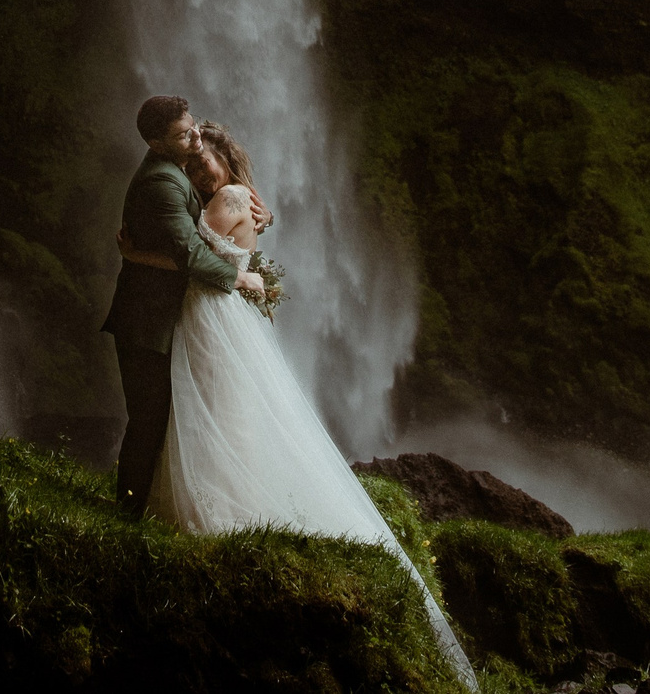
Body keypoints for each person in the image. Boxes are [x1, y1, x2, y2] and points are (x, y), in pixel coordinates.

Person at [117, 118, 478, 687]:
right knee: (211, 411)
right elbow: (211, 248)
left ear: (227, 163)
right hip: (208, 317)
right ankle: (202, 506)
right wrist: (245, 254)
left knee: (212, 409)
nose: (198, 167)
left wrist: (139, 254)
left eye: (207, 160)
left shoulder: (230, 197)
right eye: (192, 161)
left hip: (210, 317)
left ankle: (211, 511)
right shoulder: (225, 197)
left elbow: (193, 254)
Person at [100, 95, 264, 517]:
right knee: (150, 420)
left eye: (193, 128)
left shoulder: (187, 168)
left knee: (179, 415)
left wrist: (251, 208)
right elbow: (192, 253)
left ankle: (156, 507)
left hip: (185, 315)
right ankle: (128, 515)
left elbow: (214, 228)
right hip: (148, 321)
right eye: (182, 135)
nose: (193, 138)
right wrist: (239, 275)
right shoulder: (162, 181)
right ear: (157, 144)